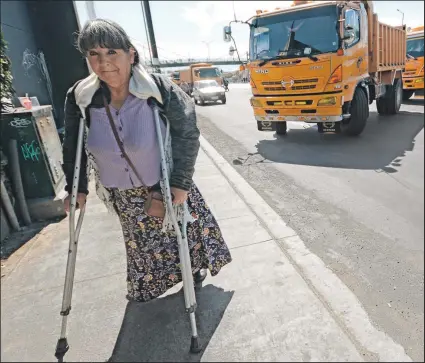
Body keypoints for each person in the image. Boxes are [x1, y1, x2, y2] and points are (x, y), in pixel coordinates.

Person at [61, 19, 232, 303]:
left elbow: (187, 133)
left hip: (165, 186)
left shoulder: (157, 89)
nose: (104, 63)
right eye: (94, 54)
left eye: (112, 53)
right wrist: (76, 187)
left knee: (184, 239)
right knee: (147, 254)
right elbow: (73, 146)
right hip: (124, 197)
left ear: (131, 54)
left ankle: (193, 271)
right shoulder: (81, 97)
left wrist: (180, 183)